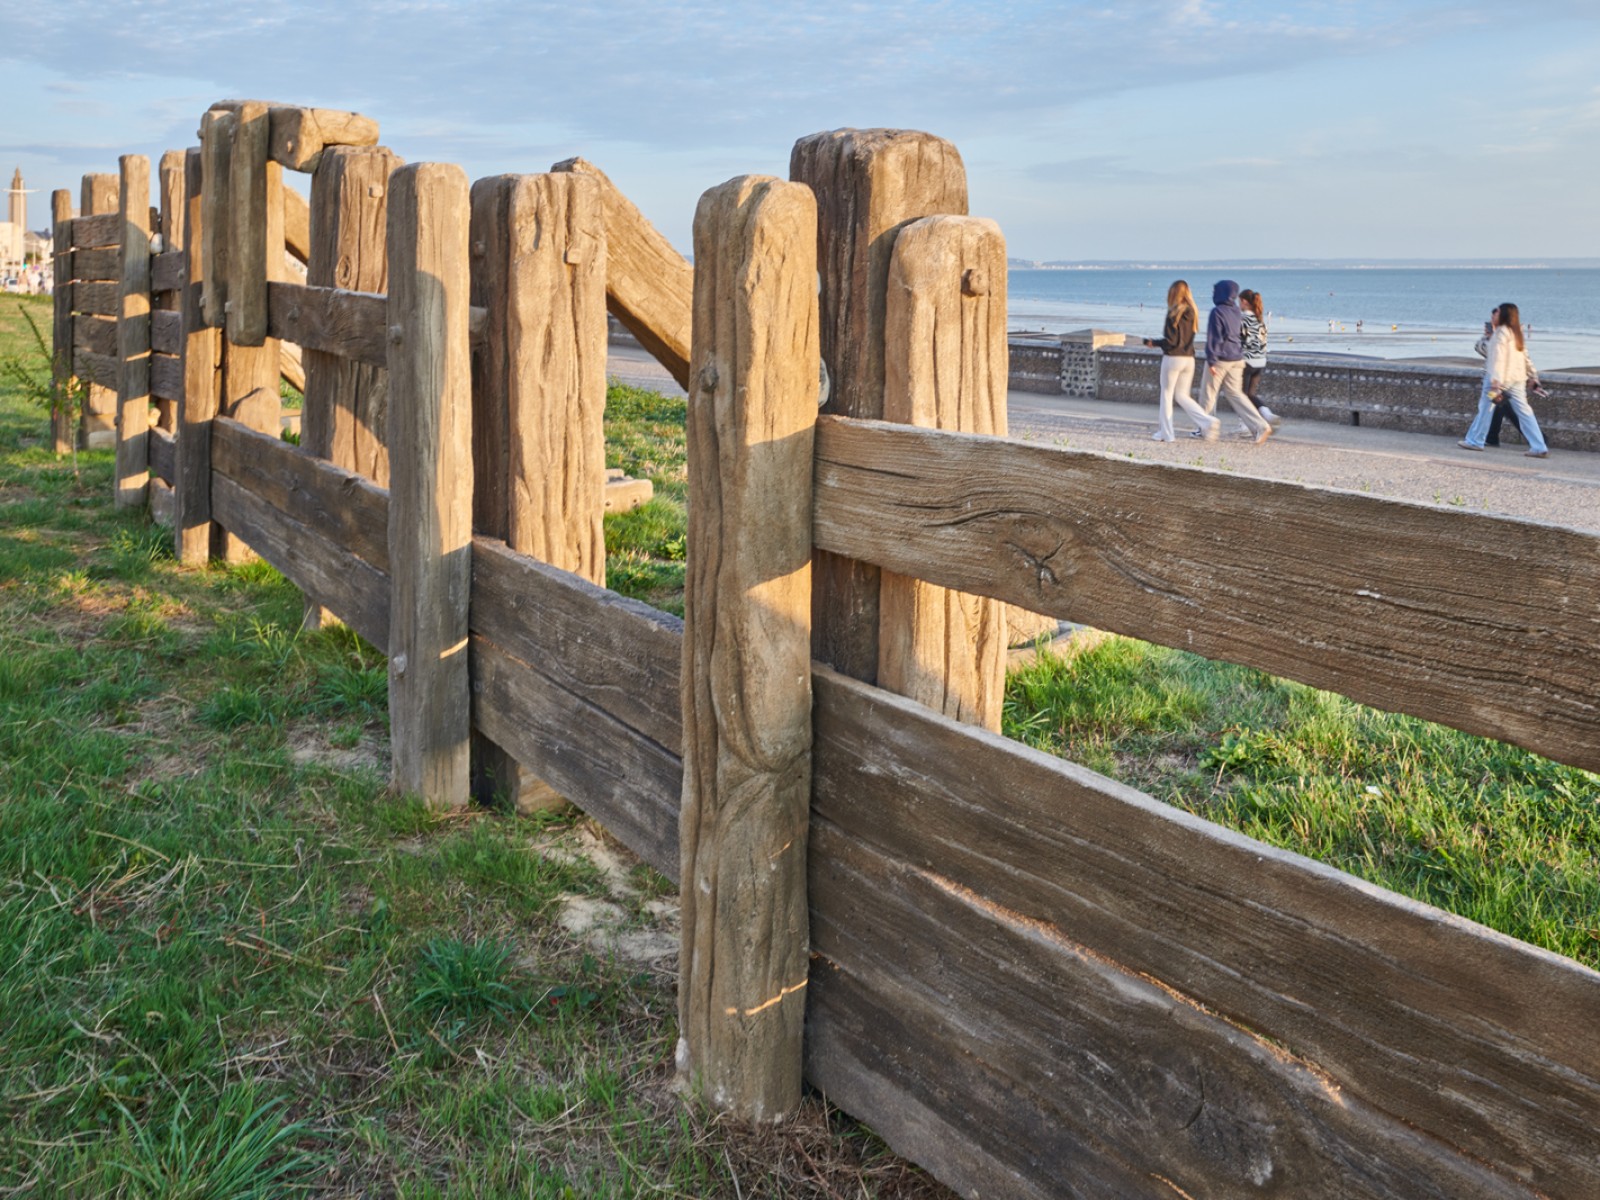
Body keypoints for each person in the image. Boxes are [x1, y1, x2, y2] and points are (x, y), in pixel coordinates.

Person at [1458, 303, 1548, 457]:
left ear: (1504, 315)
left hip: (1498, 381)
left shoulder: (1500, 334)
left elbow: (1497, 360)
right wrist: (1533, 376)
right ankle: (1539, 446)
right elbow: (1525, 357)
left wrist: (1495, 383)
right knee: (1525, 412)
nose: (1493, 315)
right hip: (1517, 379)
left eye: (1497, 313)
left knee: (1485, 408)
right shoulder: (1516, 333)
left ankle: (1475, 441)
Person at [1142, 280, 1218, 442]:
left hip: (1173, 358)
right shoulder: (1193, 312)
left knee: (1167, 394)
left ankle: (1166, 433)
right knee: (1183, 395)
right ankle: (1207, 421)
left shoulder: (1173, 313)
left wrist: (1153, 343)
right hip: (1188, 358)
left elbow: (1171, 341)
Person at [1201, 280, 1273, 443]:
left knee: (1209, 394)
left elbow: (1215, 338)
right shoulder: (1235, 311)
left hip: (1221, 358)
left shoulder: (1217, 312)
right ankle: (1260, 426)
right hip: (1237, 359)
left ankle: (1206, 429)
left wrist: (1212, 360)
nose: (1213, 295)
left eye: (1215, 291)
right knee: (1237, 395)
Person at [1238, 289, 1279, 428]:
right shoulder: (1260, 320)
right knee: (1250, 394)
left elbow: (1237, 340)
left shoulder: (1242, 319)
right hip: (1260, 361)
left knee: (1241, 395)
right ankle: (1267, 414)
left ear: (1244, 301)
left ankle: (1244, 425)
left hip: (1247, 360)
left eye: (1239, 302)